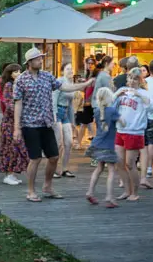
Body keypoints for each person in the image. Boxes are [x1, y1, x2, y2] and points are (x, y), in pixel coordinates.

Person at [13, 47, 93, 202]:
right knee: (35, 158)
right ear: (29, 62)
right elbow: (18, 103)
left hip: (47, 123)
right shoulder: (21, 80)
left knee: (54, 156)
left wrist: (84, 85)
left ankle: (47, 187)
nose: (41, 61)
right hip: (30, 124)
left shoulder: (47, 76)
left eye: (41, 58)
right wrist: (17, 128)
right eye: (38, 59)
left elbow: (64, 87)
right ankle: (31, 191)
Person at [113, 67, 152, 200]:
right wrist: (116, 96)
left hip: (135, 131)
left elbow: (152, 107)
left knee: (130, 163)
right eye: (130, 77)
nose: (132, 81)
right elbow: (109, 105)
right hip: (120, 130)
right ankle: (126, 190)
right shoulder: (122, 91)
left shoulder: (144, 93)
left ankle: (134, 193)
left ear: (140, 80)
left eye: (135, 78)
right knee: (119, 162)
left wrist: (139, 95)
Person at [85, 87, 120, 208]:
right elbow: (122, 122)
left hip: (98, 143)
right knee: (111, 170)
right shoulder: (112, 111)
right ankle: (109, 196)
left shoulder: (97, 111)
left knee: (99, 168)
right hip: (109, 145)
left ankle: (90, 191)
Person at [0, 63, 29, 186]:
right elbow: (8, 103)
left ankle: (13, 174)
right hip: (9, 123)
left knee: (17, 148)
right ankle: (8, 175)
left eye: (19, 71)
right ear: (10, 74)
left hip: (17, 122)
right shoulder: (9, 85)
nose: (18, 73)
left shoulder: (19, 85)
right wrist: (21, 111)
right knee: (10, 148)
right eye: (15, 72)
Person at [53, 64, 78, 179]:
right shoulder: (59, 81)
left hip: (66, 113)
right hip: (57, 112)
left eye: (71, 69)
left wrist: (73, 122)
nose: (70, 70)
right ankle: (54, 169)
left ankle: (65, 169)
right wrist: (54, 116)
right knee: (59, 143)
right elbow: (53, 99)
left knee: (69, 142)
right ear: (62, 71)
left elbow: (71, 105)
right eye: (68, 69)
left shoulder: (72, 84)